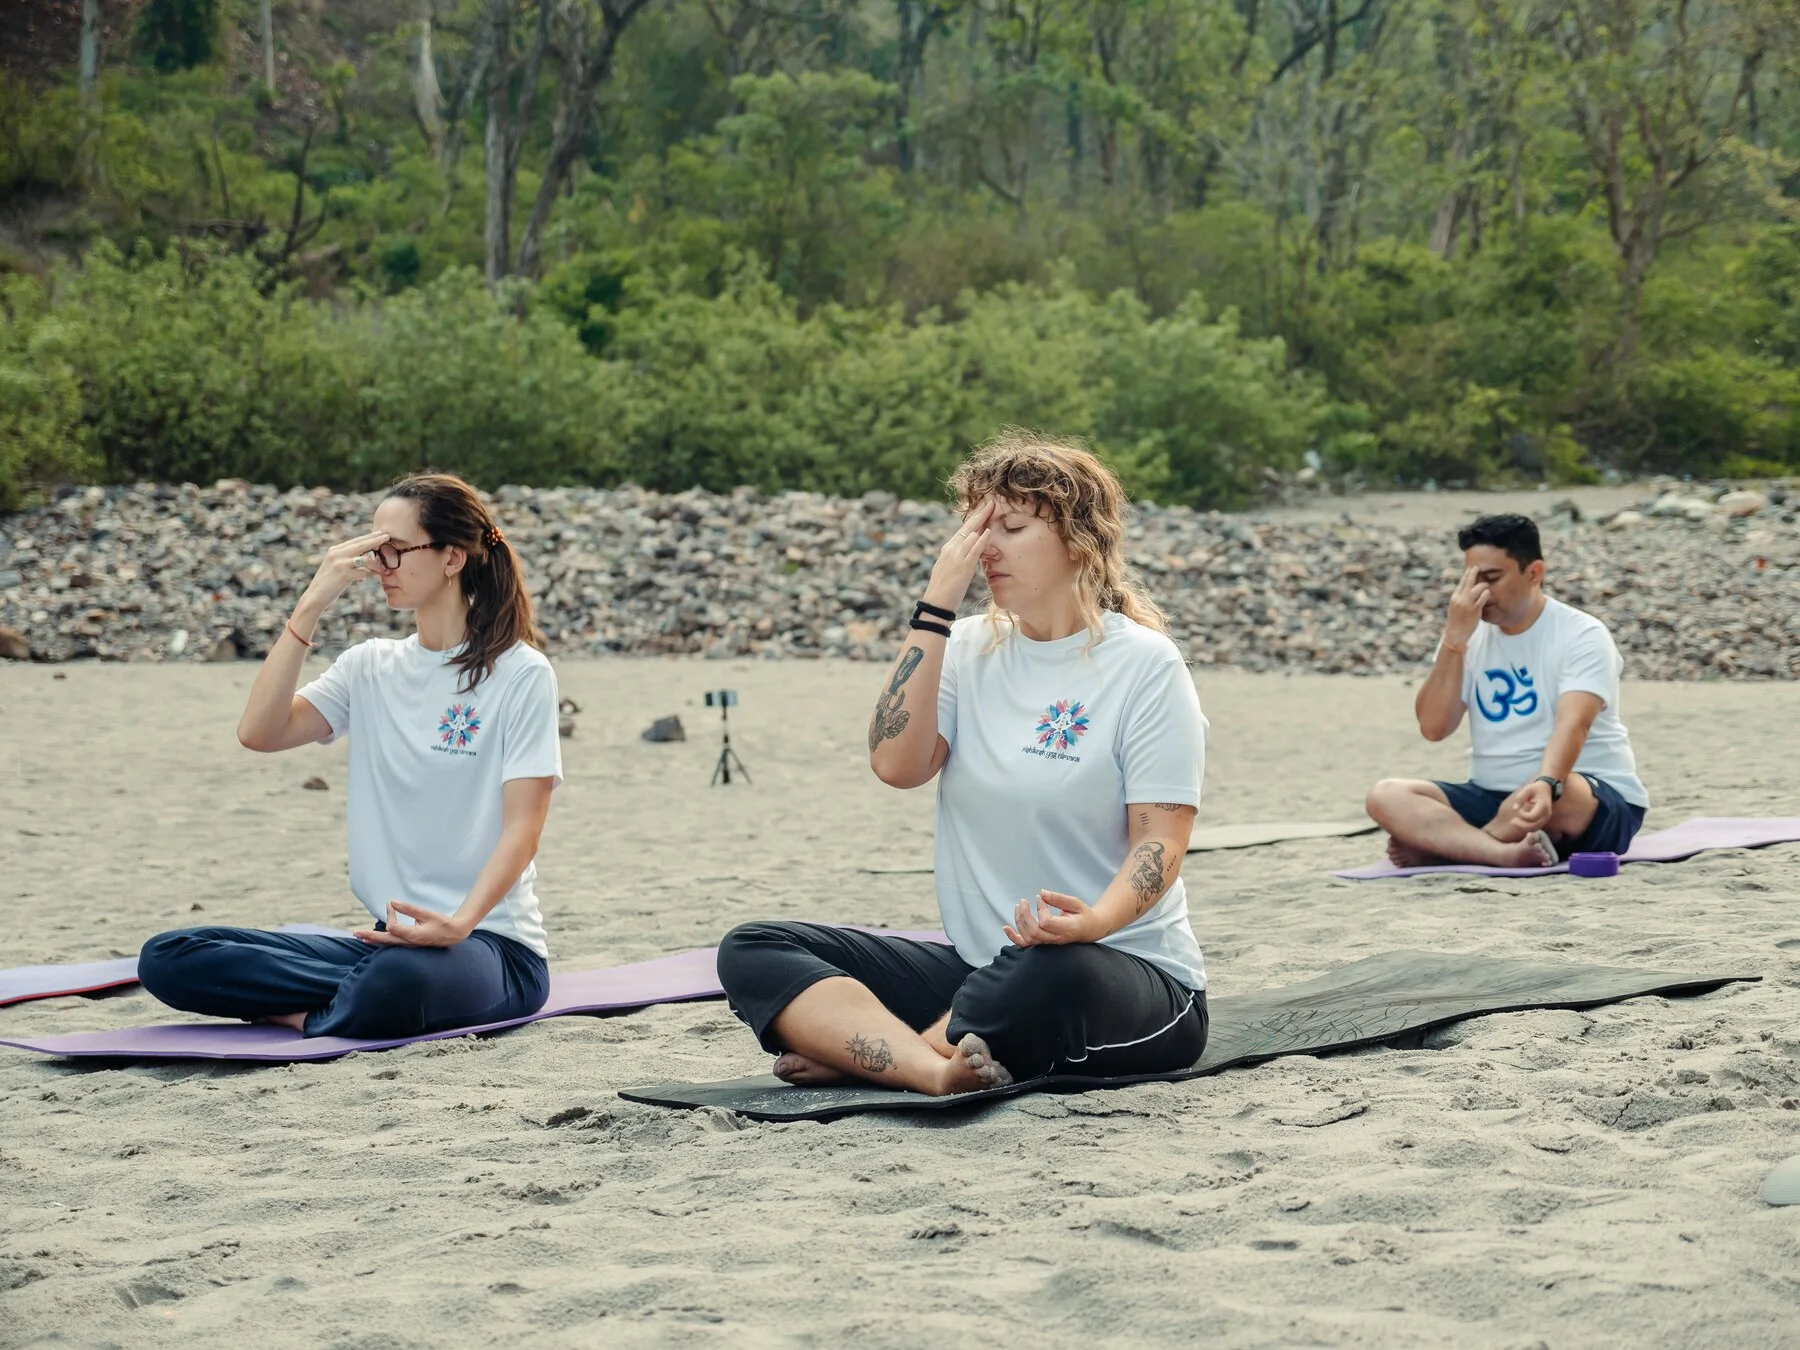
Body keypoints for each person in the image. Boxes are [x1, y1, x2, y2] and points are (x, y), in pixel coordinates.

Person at [716, 434, 1210, 1095]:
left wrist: (1089, 924)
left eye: (1012, 527)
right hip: (982, 972)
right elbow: (895, 764)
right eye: (977, 527)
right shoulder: (969, 648)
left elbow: (1161, 842)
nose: (985, 548)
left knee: (1049, 968)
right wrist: (936, 607)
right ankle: (933, 1069)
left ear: (1078, 539)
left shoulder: (1145, 665)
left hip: (1119, 972)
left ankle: (876, 1056)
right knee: (753, 948)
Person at [137, 472, 562, 1039]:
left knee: (396, 982)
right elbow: (259, 732)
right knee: (169, 956)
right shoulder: (370, 666)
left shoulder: (521, 674)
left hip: (490, 945)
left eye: (394, 549)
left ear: (452, 557)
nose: (379, 566)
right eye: (373, 549)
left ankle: (301, 1013)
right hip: (387, 941)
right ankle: (346, 1000)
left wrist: (458, 924)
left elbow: (523, 829)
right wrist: (311, 603)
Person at [1365, 512, 1649, 869]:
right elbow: (1434, 727)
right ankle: (1501, 852)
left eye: (1491, 578)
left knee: (1566, 792)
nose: (1479, 592)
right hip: (1492, 794)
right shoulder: (1466, 635)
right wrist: (1454, 641)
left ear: (1534, 573)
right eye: (1471, 579)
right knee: (1387, 795)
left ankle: (1451, 847)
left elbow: (1574, 723)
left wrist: (1546, 782)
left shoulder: (1582, 634)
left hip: (1581, 793)